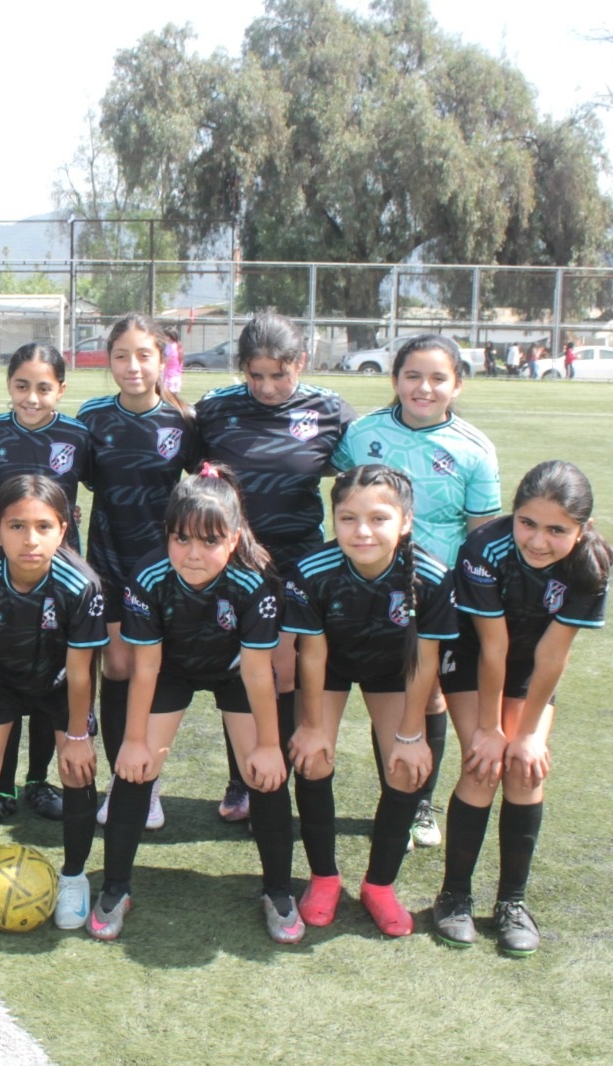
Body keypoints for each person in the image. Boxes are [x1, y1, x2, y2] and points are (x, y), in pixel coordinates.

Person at [92, 466, 295, 942]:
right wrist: (135, 741)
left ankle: (279, 891)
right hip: (171, 669)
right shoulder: (148, 576)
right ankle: (116, 886)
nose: (194, 553)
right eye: (181, 539)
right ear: (167, 536)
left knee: (264, 773)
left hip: (234, 672)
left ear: (234, 538)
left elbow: (256, 672)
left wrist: (269, 745)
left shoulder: (254, 581)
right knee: (136, 768)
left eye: (209, 541)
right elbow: (146, 668)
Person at [434, 461, 613, 956]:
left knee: (525, 769)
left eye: (557, 530)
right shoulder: (483, 548)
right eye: (527, 523)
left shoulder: (590, 564)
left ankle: (512, 902)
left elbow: (552, 655)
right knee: (482, 764)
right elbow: (492, 649)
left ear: (583, 530)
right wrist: (489, 729)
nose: (538, 541)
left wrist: (530, 734)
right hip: (471, 657)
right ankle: (454, 897)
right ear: (513, 515)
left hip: (529, 665)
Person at [333, 333, 499, 849]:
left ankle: (417, 802)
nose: (423, 388)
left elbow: (480, 534)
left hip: (432, 598)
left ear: (458, 384)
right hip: (359, 592)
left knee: (427, 699)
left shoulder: (474, 449)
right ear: (395, 380)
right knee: (357, 687)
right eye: (412, 376)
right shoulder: (361, 434)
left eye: (437, 378)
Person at [282, 464, 457, 936]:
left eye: (379, 519)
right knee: (312, 758)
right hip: (332, 666)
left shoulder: (434, 578)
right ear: (332, 519)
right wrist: (313, 726)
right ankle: (324, 877)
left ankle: (380, 885)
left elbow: (423, 663)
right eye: (347, 518)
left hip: (393, 672)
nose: (362, 532)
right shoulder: (310, 572)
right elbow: (312, 654)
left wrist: (410, 734)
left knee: (405, 769)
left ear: (405, 522)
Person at [195, 312, 356, 825]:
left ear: (302, 363)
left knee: (287, 671)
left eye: (279, 374)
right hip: (235, 561)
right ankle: (243, 777)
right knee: (240, 667)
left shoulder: (331, 412)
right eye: (255, 374)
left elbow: (363, 480)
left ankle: (285, 768)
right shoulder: (215, 410)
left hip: (299, 562)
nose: (266, 386)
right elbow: (187, 474)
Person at [0, 474, 108, 929]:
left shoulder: (81, 584)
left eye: (43, 526)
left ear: (64, 529)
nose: (30, 539)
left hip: (60, 684)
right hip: (1, 681)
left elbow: (81, 669)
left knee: (77, 767)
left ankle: (74, 876)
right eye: (16, 526)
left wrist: (78, 736)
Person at [78, 312, 201, 831]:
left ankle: (147, 784)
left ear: (162, 360)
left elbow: (203, 482)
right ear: (109, 361)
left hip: (161, 569)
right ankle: (121, 779)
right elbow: (78, 479)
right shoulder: (91, 417)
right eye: (122, 356)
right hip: (107, 559)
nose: (132, 366)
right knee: (118, 669)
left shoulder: (182, 422)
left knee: (157, 672)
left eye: (143, 355)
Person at [0, 342, 96, 822]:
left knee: (53, 676)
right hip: (2, 569)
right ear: (9, 387)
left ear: (61, 389)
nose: (33, 397)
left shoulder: (79, 435)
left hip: (60, 573)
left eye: (44, 387)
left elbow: (86, 487)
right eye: (22, 386)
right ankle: (0, 786)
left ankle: (37, 781)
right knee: (4, 673)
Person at [162, 327, 183, 394]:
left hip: (169, 375)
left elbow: (166, 360)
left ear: (169, 337)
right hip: (176, 375)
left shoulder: (170, 347)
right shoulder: (178, 346)